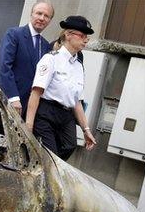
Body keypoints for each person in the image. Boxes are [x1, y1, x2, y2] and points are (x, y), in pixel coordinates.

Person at [25, 15, 97, 161]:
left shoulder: (78, 66)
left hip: (66, 115)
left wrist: (86, 130)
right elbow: (36, 93)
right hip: (46, 113)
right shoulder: (51, 59)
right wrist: (28, 125)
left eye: (87, 37)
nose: (86, 40)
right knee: (51, 155)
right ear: (68, 35)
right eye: (82, 35)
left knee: (69, 146)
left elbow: (76, 101)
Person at [0, 0, 54, 117]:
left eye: (46, 16)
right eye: (39, 13)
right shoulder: (14, 34)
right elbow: (4, 67)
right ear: (31, 14)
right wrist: (13, 97)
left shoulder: (45, 45)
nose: (42, 18)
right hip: (9, 100)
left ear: (49, 21)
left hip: (28, 108)